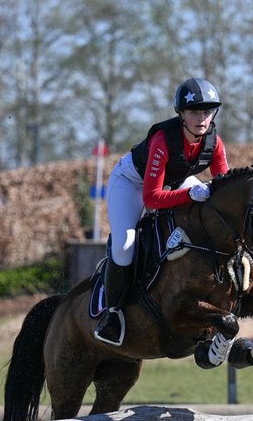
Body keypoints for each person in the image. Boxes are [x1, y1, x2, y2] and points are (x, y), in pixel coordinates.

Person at [93, 76, 230, 345]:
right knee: (125, 244)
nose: (201, 119)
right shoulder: (163, 141)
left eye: (207, 112)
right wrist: (190, 194)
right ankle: (112, 313)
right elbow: (152, 199)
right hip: (132, 183)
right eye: (194, 112)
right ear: (181, 114)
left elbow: (223, 188)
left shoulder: (215, 143)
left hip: (174, 181)